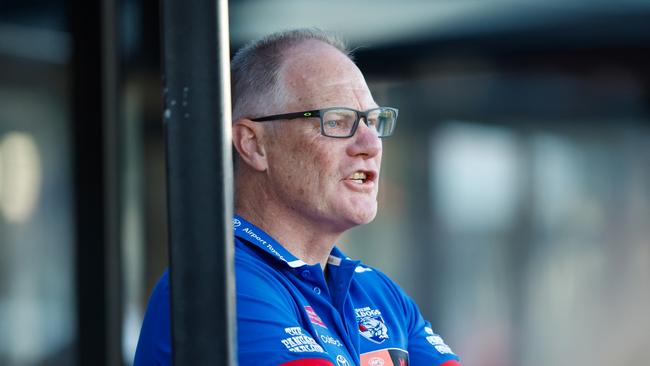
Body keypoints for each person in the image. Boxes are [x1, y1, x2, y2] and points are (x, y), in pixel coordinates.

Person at [134, 28, 461, 366]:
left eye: (373, 121)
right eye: (336, 121)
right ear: (253, 144)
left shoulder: (378, 293)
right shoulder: (219, 283)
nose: (370, 144)